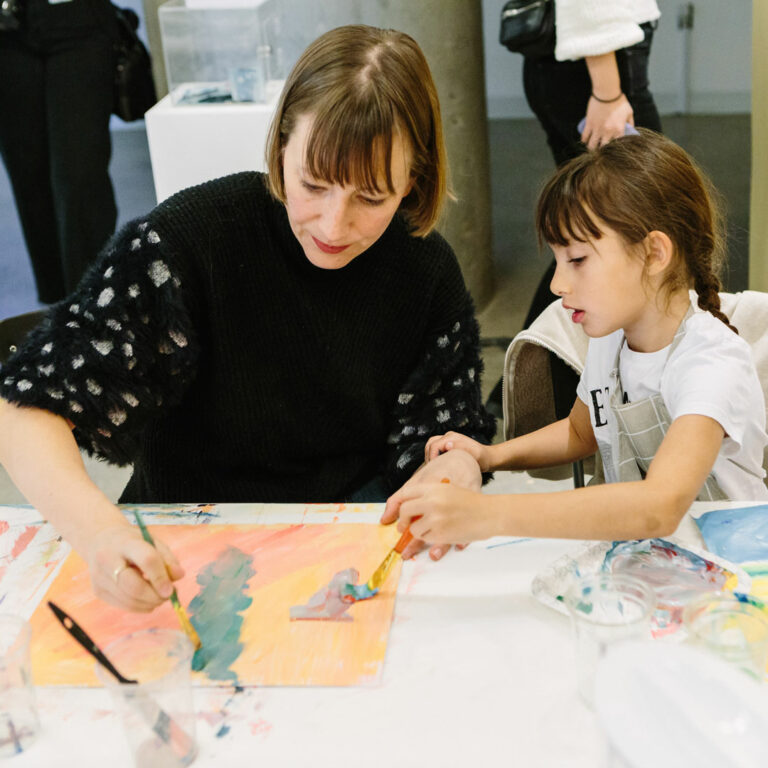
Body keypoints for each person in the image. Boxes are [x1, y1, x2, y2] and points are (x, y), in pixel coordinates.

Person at [0, 25, 495, 612]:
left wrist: (457, 464)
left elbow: (448, 427)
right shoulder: (194, 237)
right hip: (185, 539)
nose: (334, 227)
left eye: (371, 198)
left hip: (345, 535)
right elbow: (25, 404)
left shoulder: (424, 270)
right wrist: (99, 533)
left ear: (413, 180)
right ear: (280, 144)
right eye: (313, 184)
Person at [385, 130, 768, 547]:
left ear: (655, 253)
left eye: (578, 259)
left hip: (732, 575)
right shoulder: (610, 338)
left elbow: (658, 506)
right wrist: (492, 455)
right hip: (646, 563)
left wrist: (486, 514)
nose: (557, 283)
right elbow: (580, 432)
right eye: (557, 260)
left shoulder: (711, 362)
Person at [486, 0, 665, 421]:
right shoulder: (604, 82)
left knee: (592, 233)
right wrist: (608, 91)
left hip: (583, 67)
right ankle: (541, 385)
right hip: (597, 74)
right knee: (619, 230)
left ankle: (530, 385)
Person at [0, 0, 121, 304]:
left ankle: (97, 305)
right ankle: (58, 318)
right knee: (29, 176)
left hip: (79, 22)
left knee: (79, 178)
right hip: (7, 29)